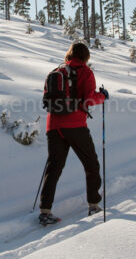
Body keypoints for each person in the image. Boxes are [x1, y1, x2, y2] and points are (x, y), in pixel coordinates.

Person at [39, 42, 109, 226]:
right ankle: (93, 205)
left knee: (54, 168)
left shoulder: (57, 71)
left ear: (70, 54)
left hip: (53, 125)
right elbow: (88, 100)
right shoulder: (85, 71)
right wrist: (102, 96)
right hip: (75, 124)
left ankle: (45, 211)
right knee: (91, 164)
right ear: (86, 56)